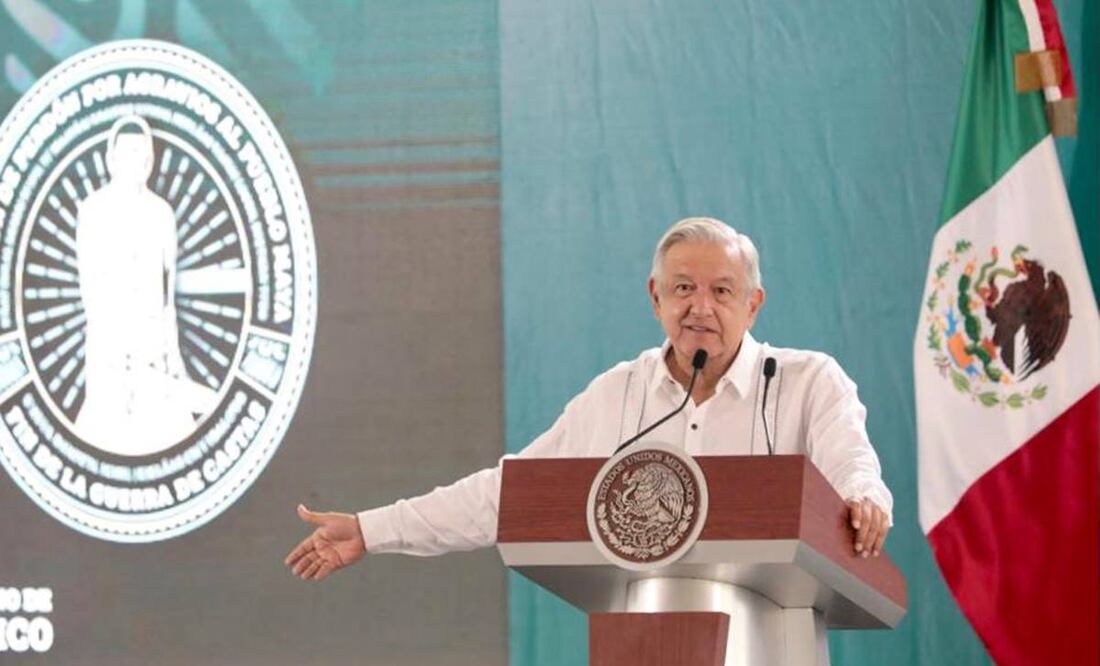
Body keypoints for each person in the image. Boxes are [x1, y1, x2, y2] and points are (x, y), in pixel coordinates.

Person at [285, 217, 893, 581]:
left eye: (721, 291)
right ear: (655, 297)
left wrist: (865, 500)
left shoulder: (809, 382)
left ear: (753, 304)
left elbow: (853, 471)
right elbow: (509, 496)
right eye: (683, 288)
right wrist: (372, 529)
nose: (699, 307)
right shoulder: (619, 396)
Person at [76, 115, 217, 455]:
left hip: (153, 340)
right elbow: (90, 283)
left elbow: (166, 289)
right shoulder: (94, 209)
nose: (135, 161)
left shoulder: (161, 212)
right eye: (127, 153)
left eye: (142, 153)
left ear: (149, 160)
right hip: (109, 340)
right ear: (112, 159)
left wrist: (169, 345)